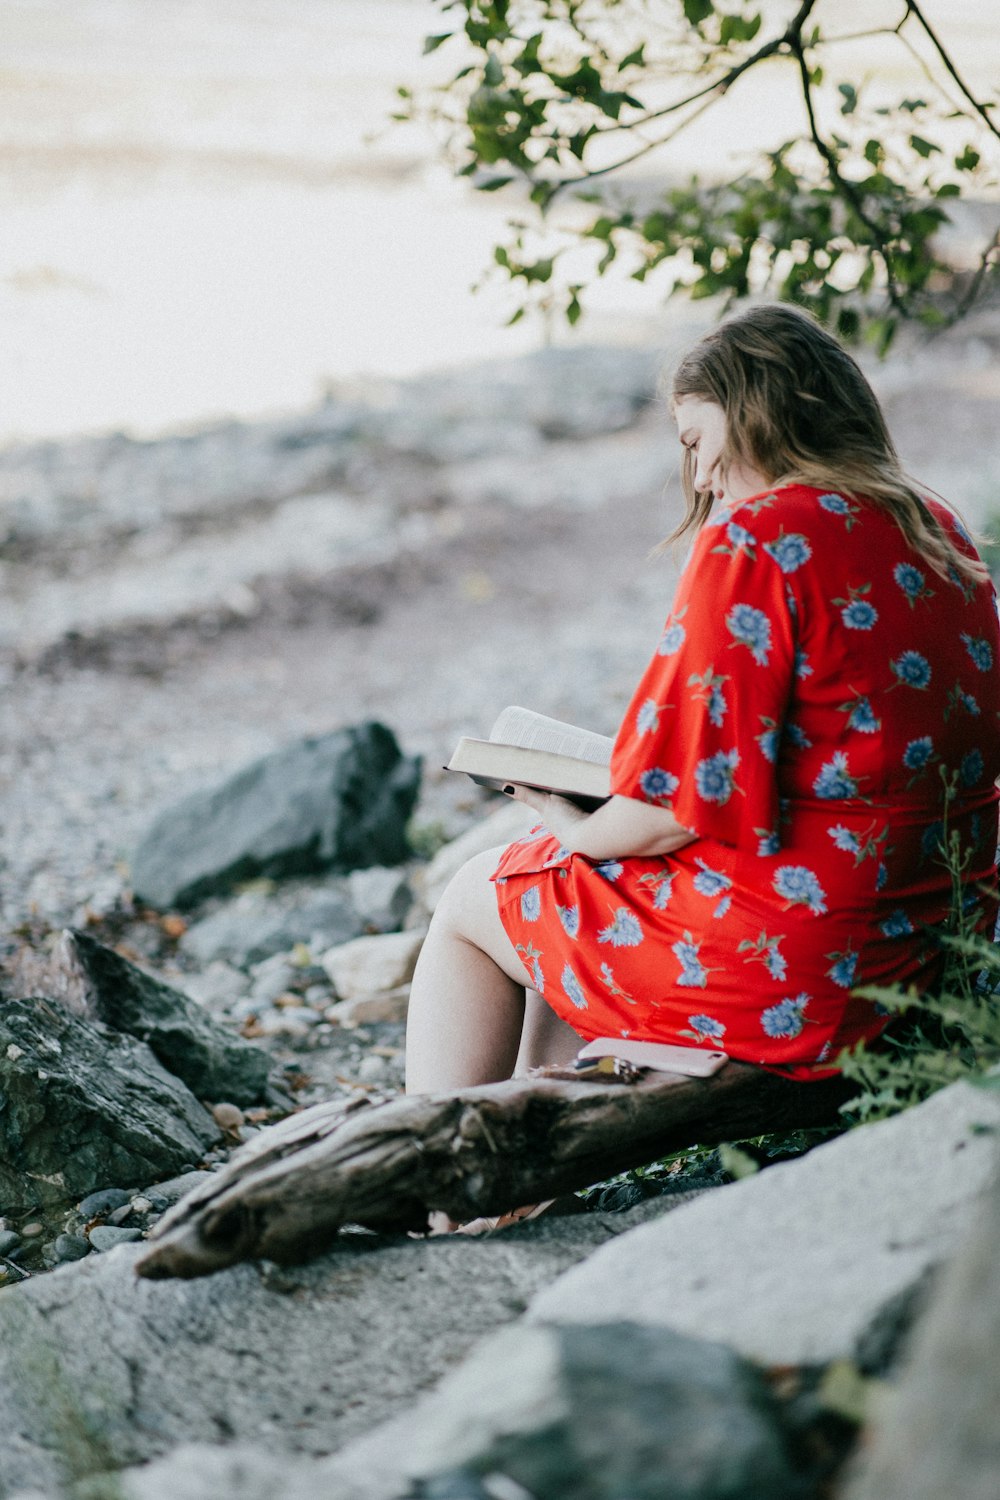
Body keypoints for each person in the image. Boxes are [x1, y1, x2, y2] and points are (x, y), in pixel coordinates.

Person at [404, 303, 1000, 1112]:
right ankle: (522, 1142)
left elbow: (668, 810)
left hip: (800, 969)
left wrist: (572, 821)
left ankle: (436, 1166)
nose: (702, 477)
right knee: (562, 884)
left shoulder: (759, 539)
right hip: (925, 938)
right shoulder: (935, 524)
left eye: (696, 442)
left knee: (480, 893)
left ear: (754, 410)